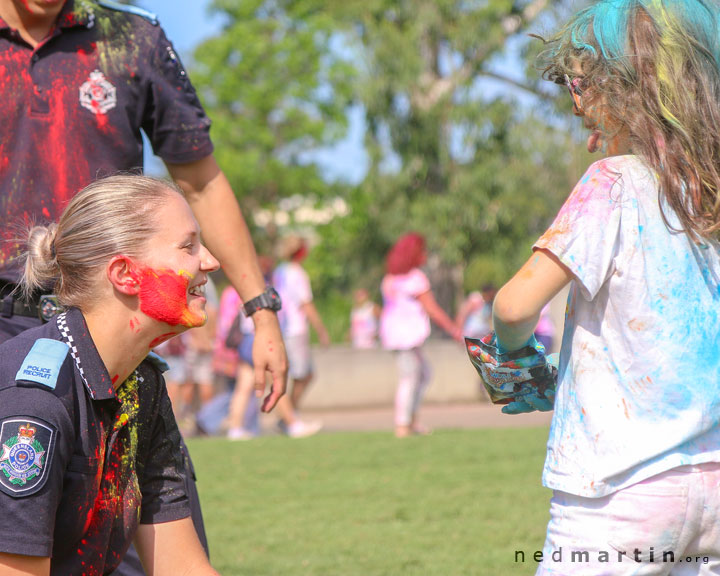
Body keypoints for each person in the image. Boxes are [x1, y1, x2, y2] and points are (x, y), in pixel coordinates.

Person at [0, 1, 287, 572]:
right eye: (190, 249)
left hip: (108, 334)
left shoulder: (132, 39)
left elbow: (199, 179)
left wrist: (261, 307)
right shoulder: (24, 398)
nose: (205, 260)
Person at [488, 1, 720, 573]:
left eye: (578, 80)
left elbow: (515, 303)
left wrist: (515, 357)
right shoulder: (710, 192)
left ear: (622, 88)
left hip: (618, 491)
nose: (573, 99)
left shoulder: (611, 183)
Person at [0, 175, 223, 575]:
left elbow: (180, 565)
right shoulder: (36, 399)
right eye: (188, 246)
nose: (210, 261)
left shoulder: (142, 384)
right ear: (124, 274)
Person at [380, 233, 462, 438]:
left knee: (422, 373)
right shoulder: (416, 278)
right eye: (423, 251)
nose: (425, 255)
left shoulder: (390, 279)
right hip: (406, 336)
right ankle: (402, 425)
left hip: (394, 335)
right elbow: (432, 309)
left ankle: (411, 420)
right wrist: (453, 330)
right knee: (410, 376)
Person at [272, 235, 329, 411]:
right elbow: (306, 304)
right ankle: (289, 416)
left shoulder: (279, 270)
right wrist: (321, 330)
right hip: (295, 329)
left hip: (283, 328)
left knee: (305, 373)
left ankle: (290, 415)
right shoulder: (297, 273)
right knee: (301, 374)